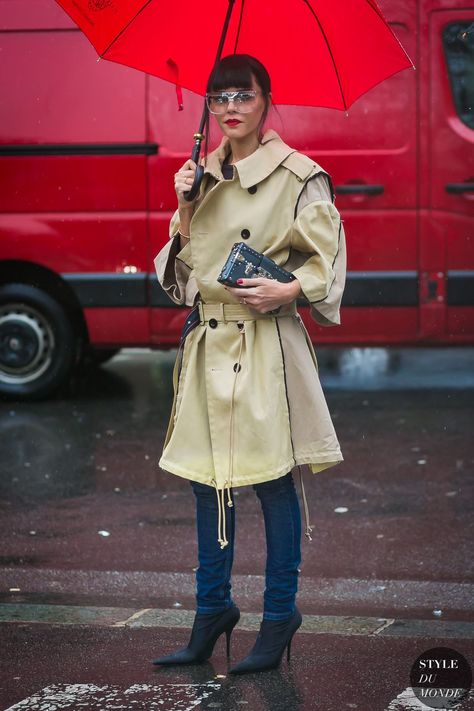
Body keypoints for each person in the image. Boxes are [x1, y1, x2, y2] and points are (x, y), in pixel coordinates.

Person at [152, 54, 346, 674]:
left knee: (269, 480)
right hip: (207, 344)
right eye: (218, 97)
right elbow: (182, 279)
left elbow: (328, 263)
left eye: (243, 94)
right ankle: (213, 609)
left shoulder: (300, 176)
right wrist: (182, 208)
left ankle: (280, 612)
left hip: (264, 346)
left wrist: (290, 290)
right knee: (207, 480)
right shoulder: (200, 174)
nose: (230, 107)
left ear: (266, 101)